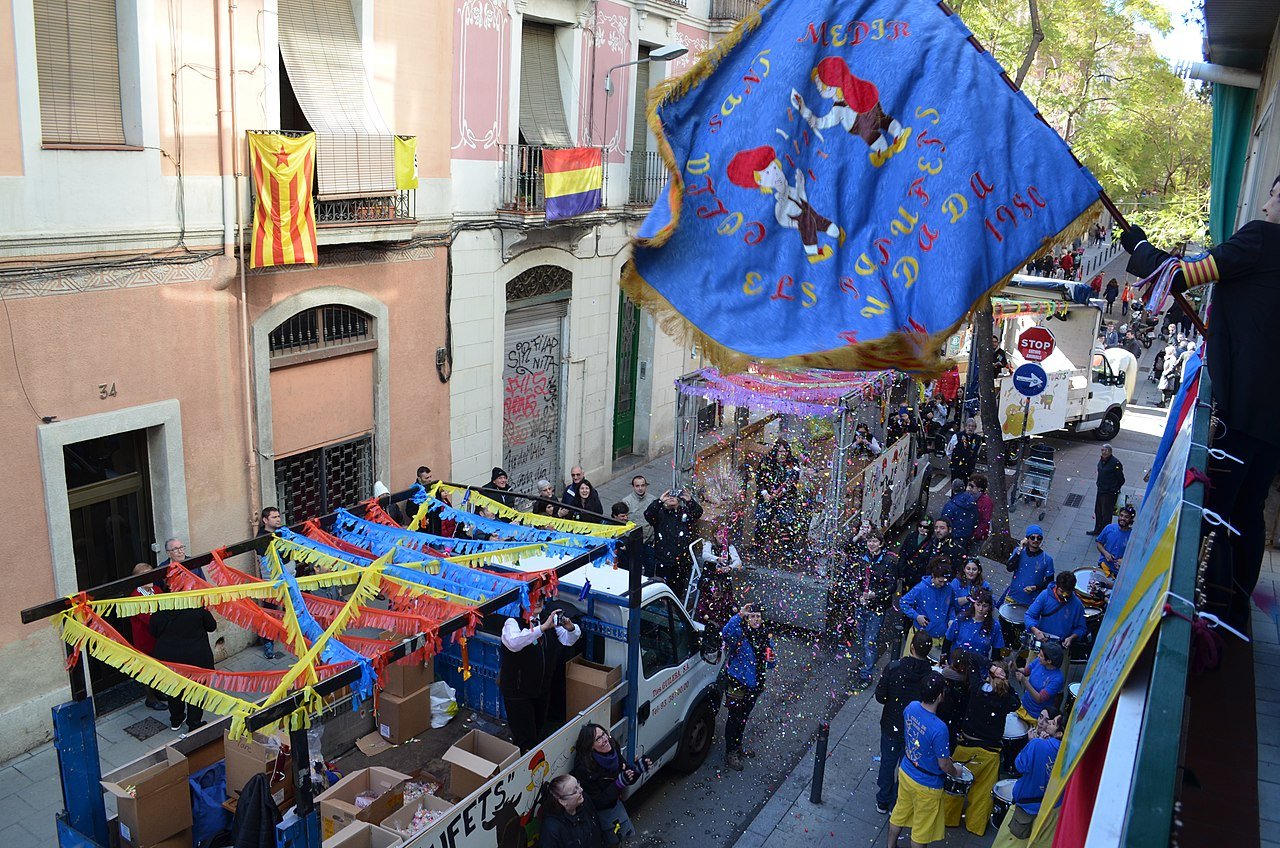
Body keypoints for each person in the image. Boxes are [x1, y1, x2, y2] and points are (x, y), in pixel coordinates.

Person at [1122, 186, 1280, 626]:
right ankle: (1237, 611)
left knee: (1220, 516)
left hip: (1242, 409)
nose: (1266, 206)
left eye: (1276, 197)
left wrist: (1139, 248)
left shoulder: (1261, 239)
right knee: (1247, 514)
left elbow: (1181, 277)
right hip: (1273, 420)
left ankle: (1215, 615)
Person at [943, 659, 1019, 836]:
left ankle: (948, 818)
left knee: (956, 787)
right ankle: (975, 826)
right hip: (990, 753)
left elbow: (972, 659)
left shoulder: (977, 690)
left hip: (966, 747)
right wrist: (1006, 683)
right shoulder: (1007, 699)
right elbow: (1017, 701)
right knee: (983, 795)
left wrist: (990, 667)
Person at [886, 673, 964, 848]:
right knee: (921, 832)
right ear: (939, 697)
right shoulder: (940, 728)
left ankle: (890, 846)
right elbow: (943, 764)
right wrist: (956, 771)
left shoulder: (911, 707)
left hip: (906, 770)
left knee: (899, 813)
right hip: (927, 785)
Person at [500, 604, 581, 752]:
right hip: (518, 692)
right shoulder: (512, 621)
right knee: (526, 740)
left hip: (542, 689)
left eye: (541, 597)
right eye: (532, 598)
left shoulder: (547, 618)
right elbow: (514, 642)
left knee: (539, 732)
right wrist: (542, 628)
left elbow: (568, 640)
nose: (538, 602)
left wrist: (570, 627)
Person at [874, 631, 934, 813]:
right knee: (905, 767)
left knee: (887, 763)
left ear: (912, 647)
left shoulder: (894, 668)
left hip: (891, 725)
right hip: (914, 729)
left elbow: (880, 697)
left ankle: (883, 800)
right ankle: (896, 802)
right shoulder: (930, 676)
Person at [991, 713, 1066, 847]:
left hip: (1026, 809)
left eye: (1052, 723)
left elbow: (1020, 765)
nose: (1047, 723)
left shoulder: (1037, 744)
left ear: (1059, 733)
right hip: (1051, 811)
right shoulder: (1068, 753)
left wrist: (1031, 743)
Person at [571, 723, 648, 845]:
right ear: (590, 746)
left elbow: (625, 774)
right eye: (598, 739)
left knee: (619, 838)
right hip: (598, 816)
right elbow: (597, 802)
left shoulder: (612, 748)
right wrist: (619, 784)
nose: (605, 739)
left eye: (604, 734)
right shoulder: (584, 769)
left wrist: (637, 771)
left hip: (613, 804)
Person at [720, 604, 776, 770]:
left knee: (743, 717)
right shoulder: (740, 633)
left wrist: (772, 660)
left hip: (756, 684)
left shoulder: (765, 635)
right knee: (734, 718)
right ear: (747, 619)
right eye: (752, 616)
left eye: (758, 616)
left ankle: (738, 747)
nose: (756, 619)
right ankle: (731, 752)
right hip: (738, 683)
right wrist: (739, 615)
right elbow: (726, 633)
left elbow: (771, 662)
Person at [150, 604, 217, 735]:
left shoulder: (160, 612)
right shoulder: (196, 609)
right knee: (196, 690)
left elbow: (153, 632)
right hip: (196, 658)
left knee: (174, 689)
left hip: (170, 659)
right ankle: (194, 722)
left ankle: (176, 719)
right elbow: (212, 626)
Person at [852, 531, 899, 687]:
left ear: (881, 543)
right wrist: (859, 595)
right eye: (869, 541)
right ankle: (866, 662)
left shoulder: (889, 561)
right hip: (861, 606)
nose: (871, 544)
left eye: (874, 541)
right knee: (861, 637)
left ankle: (866, 675)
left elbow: (891, 586)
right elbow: (857, 580)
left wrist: (875, 595)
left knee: (870, 641)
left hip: (877, 608)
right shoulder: (863, 558)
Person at [644, 489, 703, 600]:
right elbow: (648, 514)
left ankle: (674, 607)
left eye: (674, 496)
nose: (671, 498)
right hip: (664, 560)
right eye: (668, 496)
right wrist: (660, 501)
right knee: (662, 590)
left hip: (682, 561)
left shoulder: (685, 513)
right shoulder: (659, 514)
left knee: (677, 591)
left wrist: (689, 500)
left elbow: (698, 513)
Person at [129, 563, 168, 711]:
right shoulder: (135, 596)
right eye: (145, 575)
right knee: (147, 669)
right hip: (145, 639)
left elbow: (165, 608)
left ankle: (158, 691)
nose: (150, 577)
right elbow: (147, 618)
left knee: (159, 666)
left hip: (159, 637)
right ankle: (150, 698)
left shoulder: (157, 590)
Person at [899, 559, 958, 654]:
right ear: (933, 576)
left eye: (945, 581)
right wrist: (916, 616)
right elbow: (903, 602)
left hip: (940, 638)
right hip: (920, 637)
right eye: (940, 581)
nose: (943, 584)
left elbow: (952, 606)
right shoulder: (921, 588)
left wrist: (951, 618)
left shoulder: (949, 588)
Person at [538, 774, 604, 848]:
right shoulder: (551, 828)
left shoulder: (584, 800)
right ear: (562, 801)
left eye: (578, 784)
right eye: (575, 790)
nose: (581, 789)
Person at [1024, 572, 1087, 649]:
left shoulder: (1077, 604)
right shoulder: (1045, 595)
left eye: (1067, 592)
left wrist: (1071, 638)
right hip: (1041, 642)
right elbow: (1029, 615)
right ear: (1056, 586)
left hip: (1061, 647)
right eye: (1061, 591)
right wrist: (1035, 631)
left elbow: (1081, 628)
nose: (1064, 595)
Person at [696, 528, 742, 632]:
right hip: (710, 577)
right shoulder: (709, 544)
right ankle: (705, 622)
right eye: (719, 534)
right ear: (714, 535)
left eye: (724, 534)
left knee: (725, 598)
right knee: (708, 600)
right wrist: (717, 559)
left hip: (723, 579)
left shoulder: (729, 547)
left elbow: (737, 561)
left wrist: (729, 568)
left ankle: (721, 625)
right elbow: (705, 555)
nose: (722, 536)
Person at [1001, 525, 1055, 607]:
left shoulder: (1047, 559)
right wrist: (1020, 548)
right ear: (1027, 539)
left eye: (1039, 538)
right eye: (1032, 537)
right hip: (1013, 596)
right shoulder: (1019, 552)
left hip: (1032, 601)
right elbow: (1009, 568)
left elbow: (1050, 582)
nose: (1036, 540)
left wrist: (1035, 587)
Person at [945, 589, 1004, 660]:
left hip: (979, 667)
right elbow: (947, 641)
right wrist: (944, 660)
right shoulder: (961, 619)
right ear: (973, 604)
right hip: (956, 664)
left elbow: (996, 652)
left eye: (985, 606)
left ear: (989, 607)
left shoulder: (995, 626)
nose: (980, 609)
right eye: (978, 604)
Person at [1014, 643, 1065, 723]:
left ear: (1049, 661)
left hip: (1036, 716)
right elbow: (1026, 671)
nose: (1038, 656)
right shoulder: (1039, 662)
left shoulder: (1057, 679)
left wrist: (1024, 681)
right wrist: (1015, 668)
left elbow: (1039, 698)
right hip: (1024, 706)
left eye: (1041, 655)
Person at [622, 476, 657, 576]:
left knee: (650, 570)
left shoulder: (652, 500)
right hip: (633, 542)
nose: (640, 488)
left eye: (642, 485)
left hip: (649, 542)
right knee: (632, 570)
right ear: (633, 487)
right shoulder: (626, 501)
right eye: (637, 486)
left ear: (646, 486)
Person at [1088, 444, 1125, 536]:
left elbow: (1121, 479)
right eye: (1102, 450)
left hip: (1109, 493)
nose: (1103, 452)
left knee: (1106, 514)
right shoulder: (1102, 461)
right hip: (1101, 490)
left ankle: (1104, 533)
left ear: (1109, 452)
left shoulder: (1115, 463)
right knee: (1098, 511)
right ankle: (1097, 529)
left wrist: (1113, 489)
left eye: (1105, 450)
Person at [1095, 504, 1135, 578]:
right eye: (1121, 515)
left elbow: (1134, 555)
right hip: (1104, 566)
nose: (1122, 518)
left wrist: (1124, 560)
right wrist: (1106, 553)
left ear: (1131, 520)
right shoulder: (1109, 528)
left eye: (1126, 517)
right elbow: (1099, 543)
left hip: (1119, 573)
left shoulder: (1133, 536)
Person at [940, 479, 979, 551]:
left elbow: (944, 522)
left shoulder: (950, 506)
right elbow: (976, 518)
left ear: (953, 489)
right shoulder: (972, 501)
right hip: (967, 535)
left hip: (954, 536)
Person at [898, 517, 934, 589]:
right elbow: (903, 554)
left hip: (920, 575)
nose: (922, 528)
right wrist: (901, 572)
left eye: (925, 527)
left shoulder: (932, 542)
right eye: (920, 526)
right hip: (908, 572)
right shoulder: (911, 536)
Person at [945, 418, 982, 486]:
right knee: (955, 485)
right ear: (965, 427)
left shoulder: (978, 439)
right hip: (956, 466)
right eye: (969, 426)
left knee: (965, 484)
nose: (970, 428)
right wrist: (954, 458)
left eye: (973, 426)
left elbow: (977, 451)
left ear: (975, 428)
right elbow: (949, 450)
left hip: (969, 466)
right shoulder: (957, 436)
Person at [970, 474, 994, 550]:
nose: (968, 488)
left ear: (979, 488)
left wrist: (975, 535)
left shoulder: (986, 502)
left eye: (972, 486)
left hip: (977, 536)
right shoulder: (969, 497)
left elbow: (985, 521)